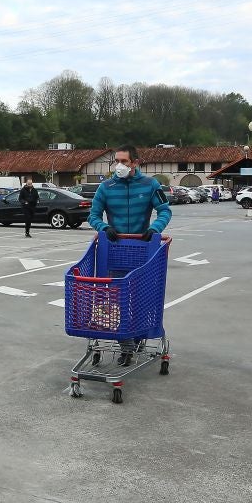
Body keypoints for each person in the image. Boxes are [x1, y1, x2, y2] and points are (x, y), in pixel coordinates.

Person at [88, 145, 172, 366]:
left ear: (135, 162)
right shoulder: (106, 187)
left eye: (124, 161)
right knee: (117, 301)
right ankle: (126, 346)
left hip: (143, 251)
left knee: (140, 300)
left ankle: (137, 337)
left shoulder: (150, 185)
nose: (119, 165)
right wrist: (104, 228)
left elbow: (165, 210)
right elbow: (93, 215)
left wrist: (155, 229)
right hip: (114, 252)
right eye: (117, 161)